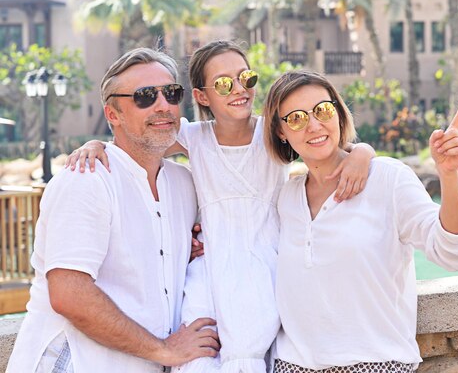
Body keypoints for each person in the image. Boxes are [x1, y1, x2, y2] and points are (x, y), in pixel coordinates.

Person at [65, 41, 375, 373]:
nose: (239, 89)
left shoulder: (272, 133)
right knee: (199, 353)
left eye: (247, 78)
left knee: (252, 350)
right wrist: (96, 144)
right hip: (209, 269)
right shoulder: (194, 137)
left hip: (265, 267)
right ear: (201, 96)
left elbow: (324, 144)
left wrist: (363, 152)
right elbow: (136, 139)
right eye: (224, 84)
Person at [7, 48, 220, 373]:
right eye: (145, 96)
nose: (163, 105)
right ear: (113, 114)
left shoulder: (184, 184)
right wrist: (163, 350)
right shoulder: (86, 181)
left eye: (171, 93)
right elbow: (70, 295)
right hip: (76, 363)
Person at [263, 70, 458, 372]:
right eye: (296, 118)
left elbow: (453, 253)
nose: (313, 125)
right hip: (292, 365)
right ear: (281, 131)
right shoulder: (286, 197)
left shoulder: (388, 178)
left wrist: (449, 175)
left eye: (322, 110)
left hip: (378, 364)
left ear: (337, 114)